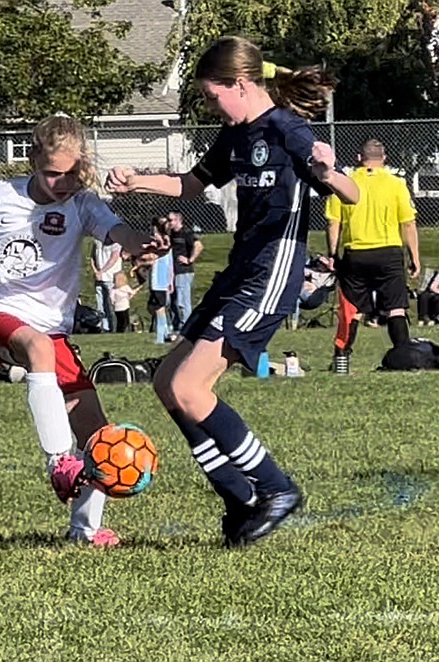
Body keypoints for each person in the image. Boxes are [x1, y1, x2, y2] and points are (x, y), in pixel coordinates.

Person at [107, 36, 359, 546]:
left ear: (241, 85)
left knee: (189, 388)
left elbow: (349, 191)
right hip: (237, 273)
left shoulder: (287, 128)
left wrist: (330, 172)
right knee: (167, 384)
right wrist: (138, 182)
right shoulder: (236, 133)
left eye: (211, 95)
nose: (210, 105)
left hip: (271, 275)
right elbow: (191, 184)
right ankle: (238, 499)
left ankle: (275, 488)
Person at [0, 114, 166, 547]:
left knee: (99, 435)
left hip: (51, 333)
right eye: (51, 173)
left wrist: (139, 243)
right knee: (39, 348)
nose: (60, 183)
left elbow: (116, 229)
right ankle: (58, 460)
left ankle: (84, 530)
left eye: (69, 173)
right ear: (32, 159)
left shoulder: (81, 204)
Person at [325, 138, 419, 371]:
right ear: (384, 159)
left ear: (359, 158)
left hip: (356, 252)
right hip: (388, 251)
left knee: (353, 309)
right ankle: (403, 358)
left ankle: (342, 359)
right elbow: (408, 224)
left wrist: (332, 254)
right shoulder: (396, 184)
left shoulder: (344, 182)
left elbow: (333, 223)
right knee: (396, 306)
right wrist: (414, 257)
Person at [166, 210, 203, 334]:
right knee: (173, 300)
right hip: (173, 272)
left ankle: (186, 325)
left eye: (171, 220)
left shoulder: (186, 233)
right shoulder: (171, 235)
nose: (169, 222)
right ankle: (176, 324)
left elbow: (198, 245)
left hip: (183, 271)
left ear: (178, 220)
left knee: (182, 300)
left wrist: (190, 259)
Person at [147, 217, 175, 344]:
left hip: (160, 282)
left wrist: (170, 281)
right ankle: (167, 332)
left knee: (160, 308)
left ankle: (161, 337)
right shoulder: (158, 243)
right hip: (157, 282)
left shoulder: (163, 244)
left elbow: (168, 265)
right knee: (157, 307)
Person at [89, 238, 121, 332]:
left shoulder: (116, 242)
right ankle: (103, 326)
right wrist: (96, 271)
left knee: (110, 304)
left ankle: (113, 327)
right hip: (99, 277)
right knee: (100, 303)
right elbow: (92, 257)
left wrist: (102, 271)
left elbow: (114, 258)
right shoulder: (97, 241)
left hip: (111, 277)